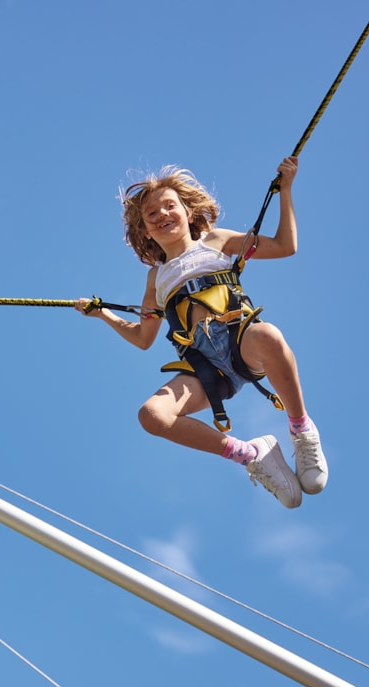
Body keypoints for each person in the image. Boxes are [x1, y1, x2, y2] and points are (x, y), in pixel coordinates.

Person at [75, 156, 327, 508]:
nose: (163, 215)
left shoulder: (216, 241)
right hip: (205, 366)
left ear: (188, 212)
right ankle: (251, 454)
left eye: (169, 206)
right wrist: (103, 314)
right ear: (146, 230)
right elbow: (143, 338)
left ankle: (301, 431)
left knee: (269, 335)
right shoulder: (155, 280)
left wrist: (285, 190)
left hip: (241, 340)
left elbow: (286, 245)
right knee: (152, 416)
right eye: (152, 214)